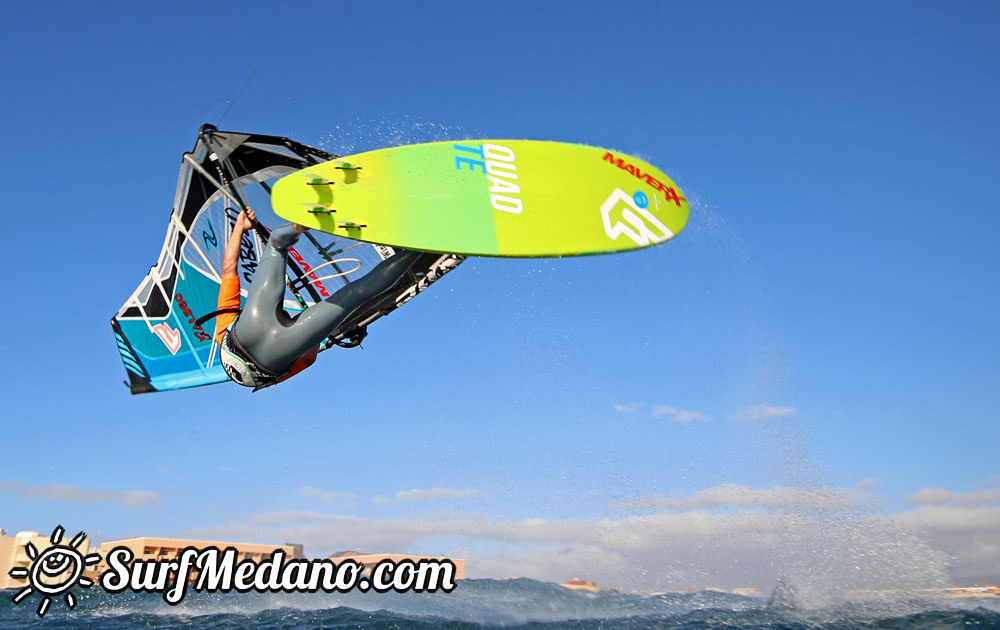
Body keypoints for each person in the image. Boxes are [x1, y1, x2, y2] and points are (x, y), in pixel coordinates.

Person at [214, 208, 422, 389]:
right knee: (277, 243)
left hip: (272, 361)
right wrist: (240, 226)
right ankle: (310, 218)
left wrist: (314, 321)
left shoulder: (270, 379)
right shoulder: (222, 332)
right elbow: (228, 269)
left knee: (356, 294)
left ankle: (422, 248)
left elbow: (309, 356)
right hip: (246, 330)